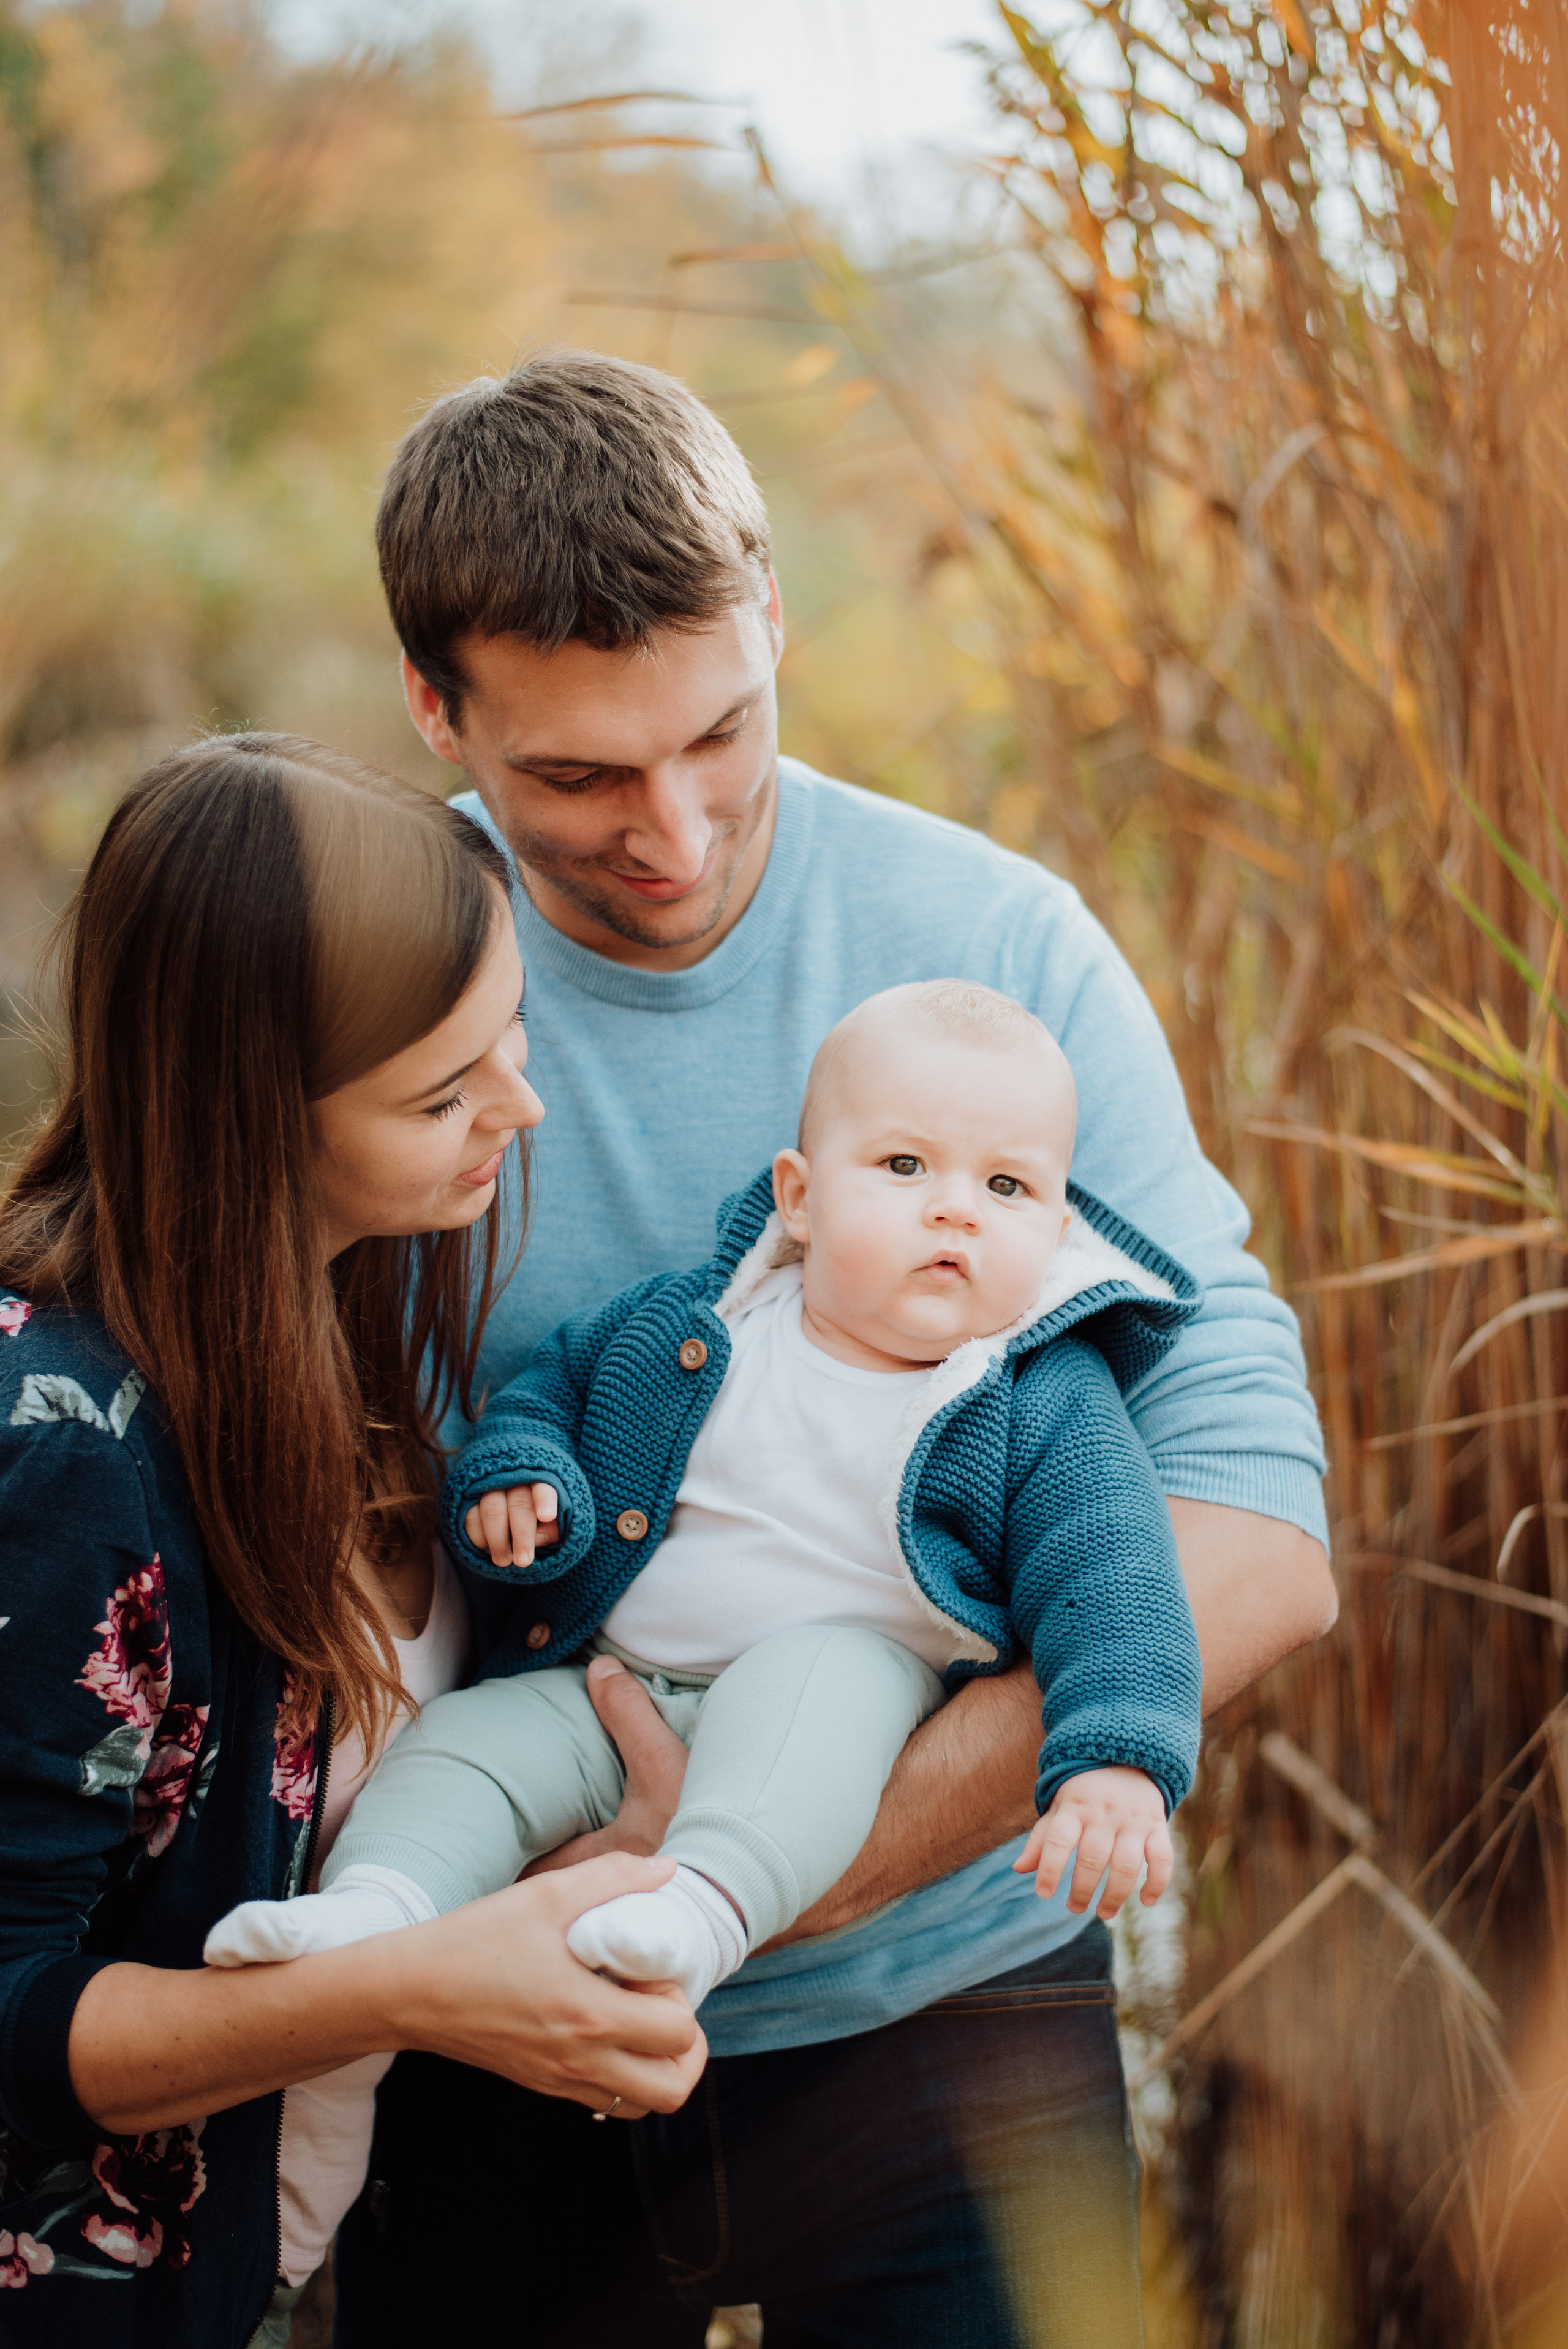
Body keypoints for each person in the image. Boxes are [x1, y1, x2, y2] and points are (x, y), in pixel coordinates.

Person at [333, 348, 1336, 2347]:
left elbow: (1259, 1528)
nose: (678, 836)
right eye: (577, 779)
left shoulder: (1002, 953)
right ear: (436, 709)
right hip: (482, 2002)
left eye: (723, 731)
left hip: (941, 2031)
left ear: (777, 613)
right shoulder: (355, 957)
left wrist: (775, 1867)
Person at [0, 734, 706, 2349]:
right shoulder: (61, 1452)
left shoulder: (325, 1320)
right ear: (255, 1116)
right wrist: (422, 1981)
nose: (518, 1109)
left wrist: (555, 1839)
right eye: (445, 1090)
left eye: (511, 1030)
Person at [204, 980, 1202, 2022]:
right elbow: (551, 1387)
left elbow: (1116, 1574)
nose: (956, 1208)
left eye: (1008, 1187)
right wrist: (520, 1477)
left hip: (840, 1694)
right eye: (904, 1166)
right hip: (609, 1679)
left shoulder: (1038, 1398)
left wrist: (1120, 1758)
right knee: (466, 1746)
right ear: (801, 1198)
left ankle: (703, 1911)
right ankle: (375, 1907)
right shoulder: (694, 1321)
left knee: (817, 1687)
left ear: (1058, 1226)